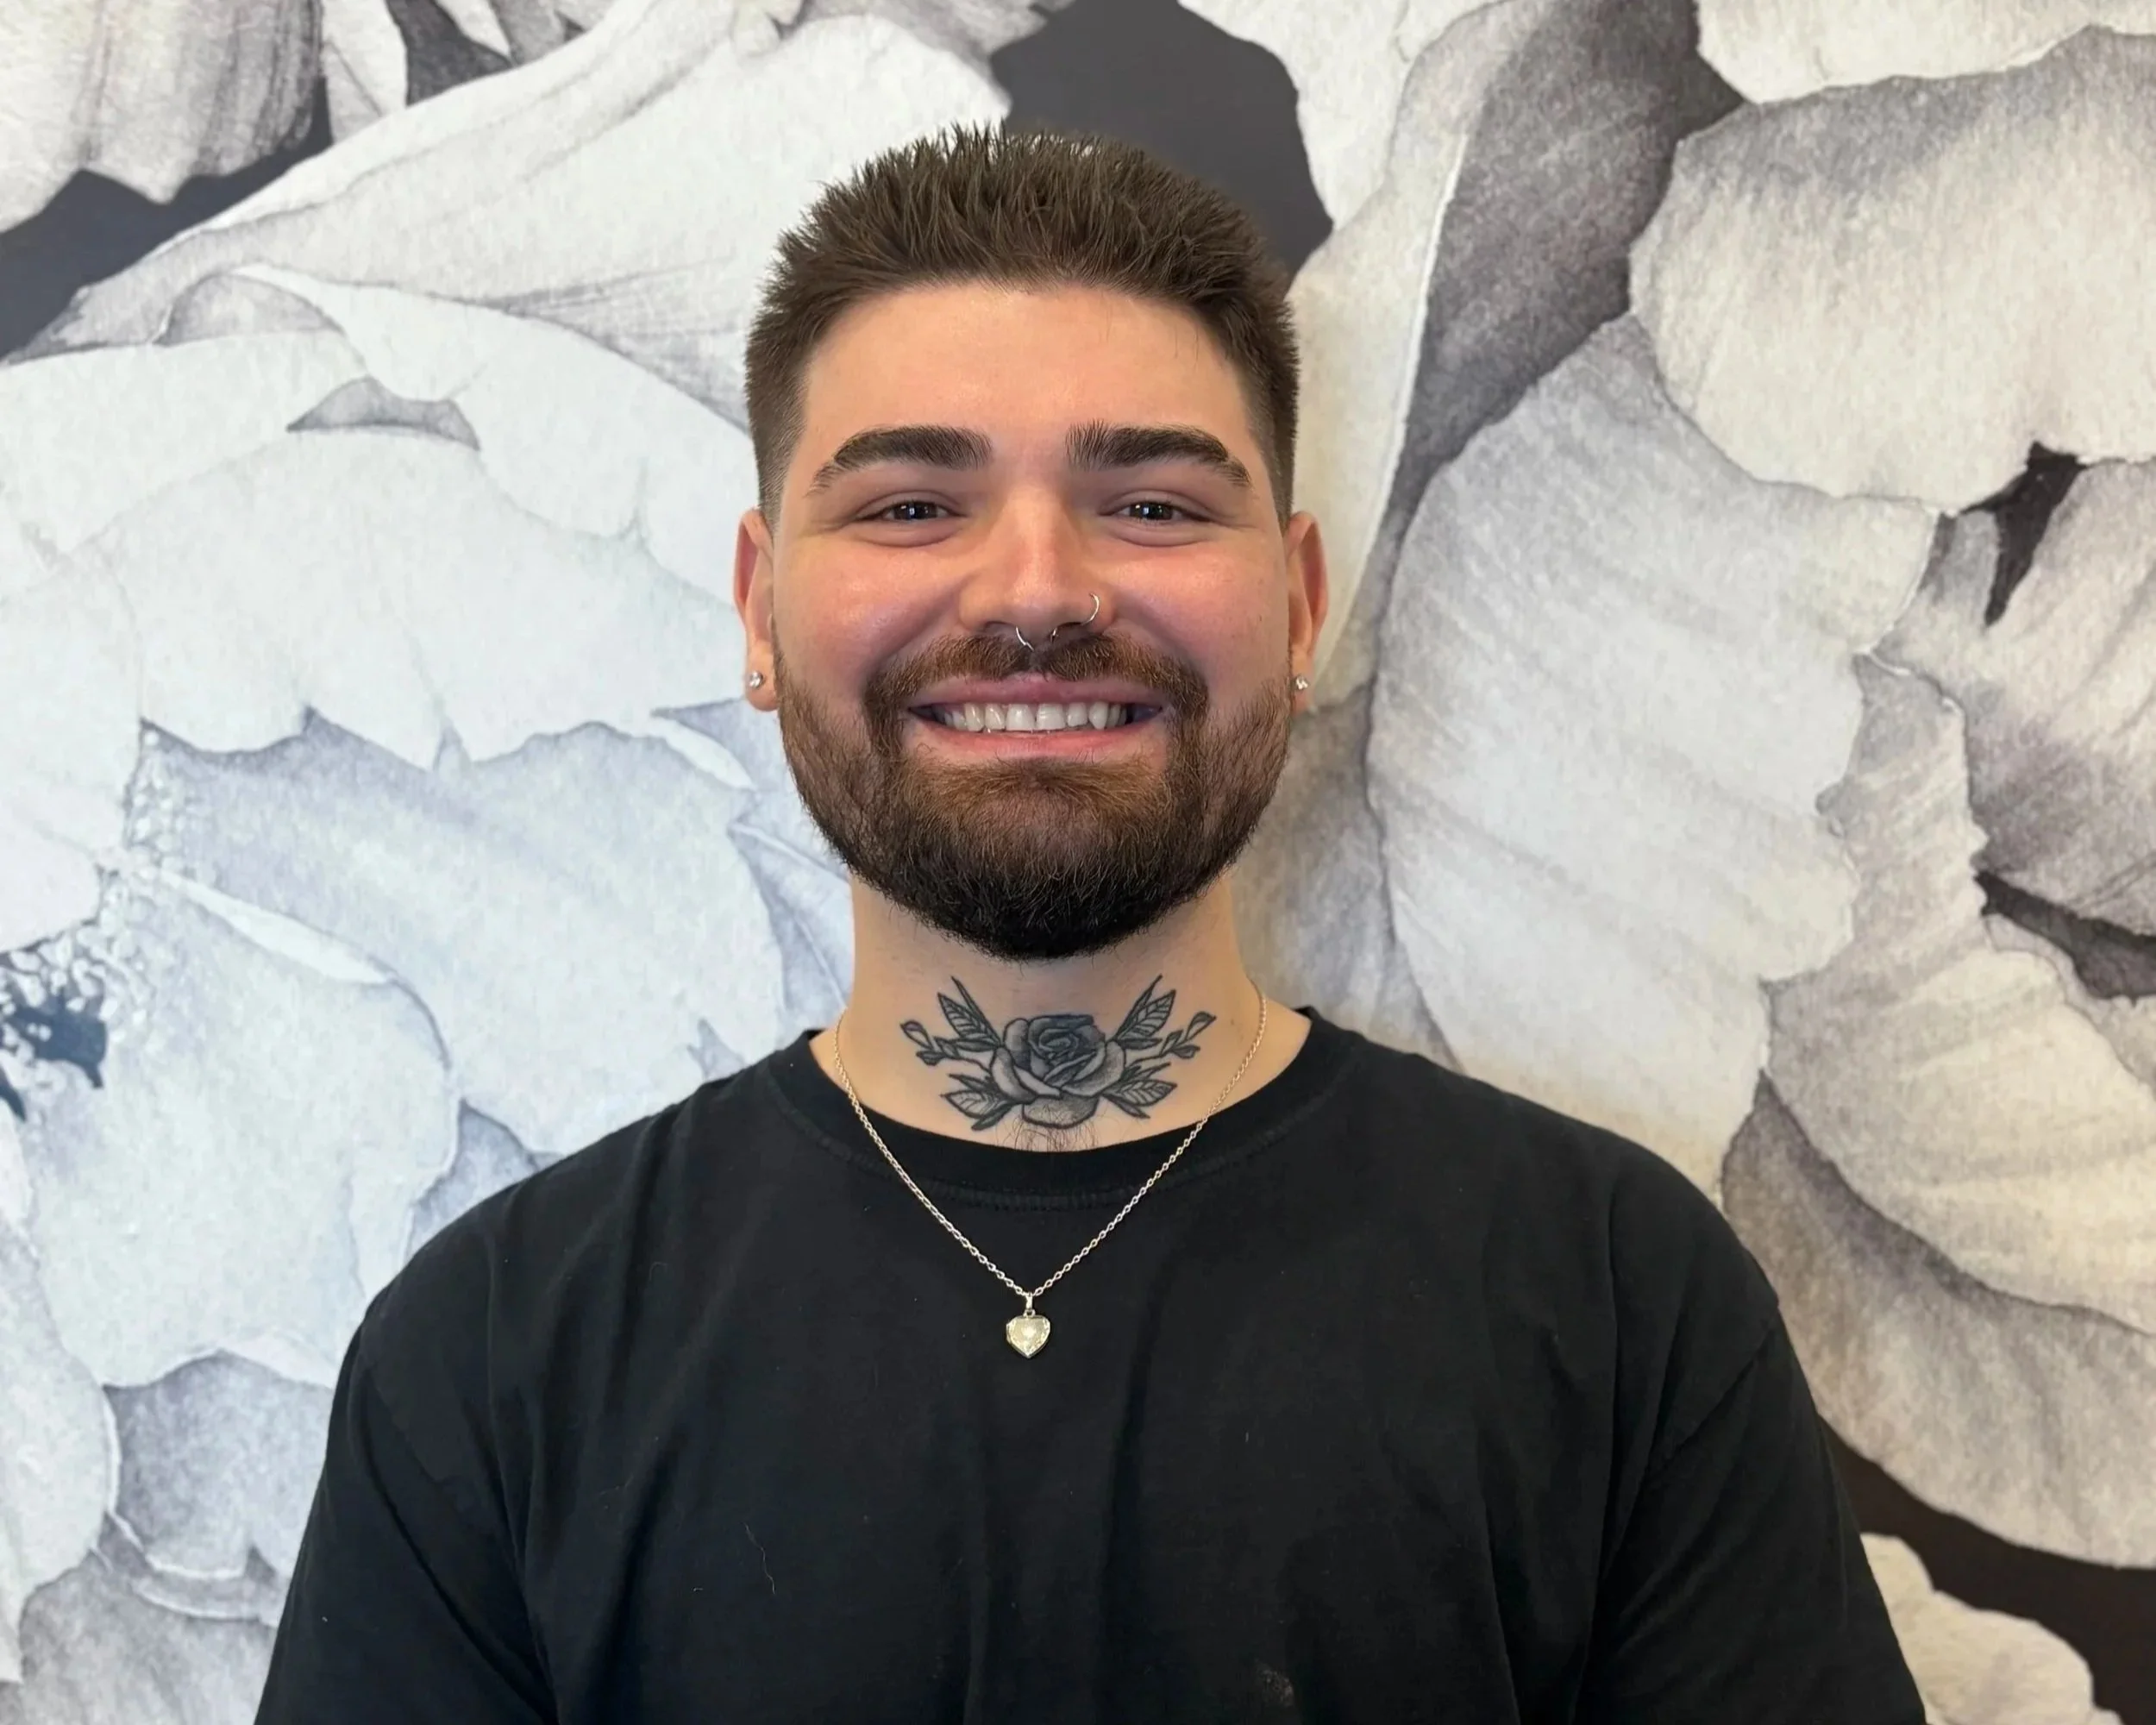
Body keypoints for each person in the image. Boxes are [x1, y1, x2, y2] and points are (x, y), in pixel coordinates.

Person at [254, 125, 1924, 1722]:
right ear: (761, 612)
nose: (1038, 590)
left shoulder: (1620, 1305)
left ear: (1299, 609)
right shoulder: (493, 1358)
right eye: (912, 505)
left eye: (1154, 505)